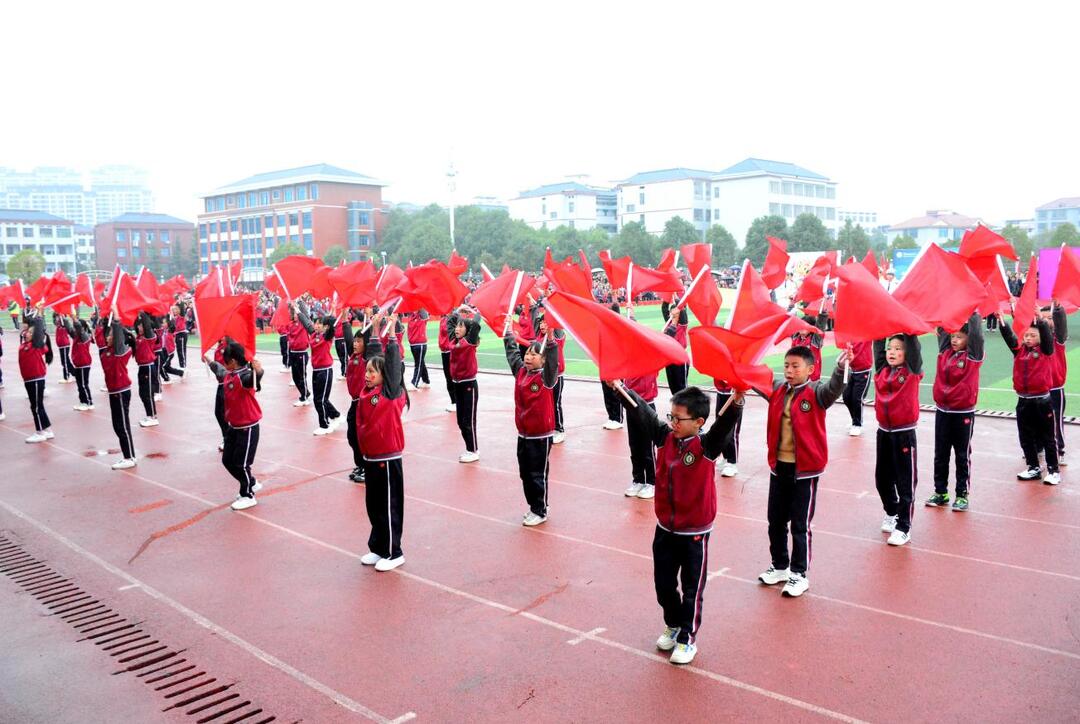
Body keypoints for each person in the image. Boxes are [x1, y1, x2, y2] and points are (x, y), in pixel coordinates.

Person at [615, 383, 743, 665]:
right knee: (663, 583)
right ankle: (673, 624)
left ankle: (687, 638)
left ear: (698, 422)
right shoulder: (665, 438)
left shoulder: (706, 446)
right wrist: (619, 388)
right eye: (670, 416)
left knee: (692, 588)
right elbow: (640, 412)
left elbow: (723, 425)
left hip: (695, 532)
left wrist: (735, 403)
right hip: (665, 529)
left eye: (678, 419)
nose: (672, 422)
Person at [758, 347, 847, 597]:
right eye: (786, 365)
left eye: (795, 366)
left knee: (799, 523)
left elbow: (834, 389)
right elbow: (755, 380)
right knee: (775, 521)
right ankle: (780, 566)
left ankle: (799, 574)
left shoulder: (816, 392)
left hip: (805, 471)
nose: (789, 371)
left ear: (810, 369)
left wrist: (840, 369)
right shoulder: (777, 389)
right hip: (779, 468)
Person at [357, 318, 408, 571]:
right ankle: (378, 547)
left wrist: (392, 335)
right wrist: (375, 330)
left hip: (387, 460)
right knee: (374, 506)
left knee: (389, 506)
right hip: (371, 459)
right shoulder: (366, 393)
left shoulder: (390, 392)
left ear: (385, 376)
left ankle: (394, 552)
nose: (367, 375)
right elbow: (374, 354)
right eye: (366, 371)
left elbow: (391, 363)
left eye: (372, 372)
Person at [504, 326, 559, 525]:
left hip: (540, 436)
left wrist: (551, 341)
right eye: (527, 352)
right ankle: (536, 504)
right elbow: (511, 353)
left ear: (543, 360)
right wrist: (509, 333)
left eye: (534, 354)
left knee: (537, 474)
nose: (528, 357)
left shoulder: (545, 378)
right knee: (525, 473)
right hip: (523, 434)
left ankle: (540, 510)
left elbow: (553, 361)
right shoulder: (520, 373)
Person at [928, 313, 983, 511]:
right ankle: (940, 491)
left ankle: (962, 495)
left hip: (963, 414)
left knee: (961, 455)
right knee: (940, 454)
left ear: (968, 339)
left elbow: (977, 334)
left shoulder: (973, 355)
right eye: (953, 336)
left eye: (959, 337)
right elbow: (943, 329)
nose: (954, 340)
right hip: (943, 411)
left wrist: (974, 313)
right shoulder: (945, 352)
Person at [873, 333, 924, 545]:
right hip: (883, 431)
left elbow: (914, 350)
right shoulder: (882, 370)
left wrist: (909, 331)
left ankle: (904, 527)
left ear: (907, 353)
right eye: (890, 348)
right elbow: (878, 345)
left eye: (898, 348)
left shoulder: (912, 371)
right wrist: (881, 325)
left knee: (905, 483)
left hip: (904, 434)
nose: (892, 352)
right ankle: (892, 512)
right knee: (882, 480)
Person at [999, 313, 1060, 484]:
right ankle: (1033, 467)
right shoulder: (1019, 351)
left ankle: (1054, 471)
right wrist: (1002, 324)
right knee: (1025, 436)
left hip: (1042, 401)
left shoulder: (1045, 350)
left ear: (1041, 337)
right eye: (1026, 335)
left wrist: (1040, 321)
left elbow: (1047, 337)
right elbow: (1010, 338)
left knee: (1048, 437)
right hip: (1023, 401)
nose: (1028, 338)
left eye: (1033, 335)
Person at [207, 341, 265, 511]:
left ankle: (248, 495)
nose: (224, 362)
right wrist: (209, 361)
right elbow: (219, 370)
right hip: (234, 427)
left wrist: (259, 371)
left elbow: (254, 378)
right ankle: (251, 483)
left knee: (241, 464)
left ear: (233, 361)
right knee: (227, 460)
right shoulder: (229, 374)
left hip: (248, 428)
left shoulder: (245, 376)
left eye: (226, 360)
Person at [343, 313, 378, 483]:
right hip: (354, 402)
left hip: (364, 403)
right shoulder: (353, 356)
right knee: (351, 435)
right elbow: (348, 339)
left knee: (362, 436)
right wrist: (344, 319)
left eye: (359, 341)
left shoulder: (367, 358)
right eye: (354, 341)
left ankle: (367, 467)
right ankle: (360, 464)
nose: (355, 344)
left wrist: (371, 320)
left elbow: (370, 339)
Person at [297, 302, 341, 435]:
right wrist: (297, 308)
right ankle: (336, 415)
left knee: (319, 400)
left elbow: (332, 324)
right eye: (315, 323)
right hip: (316, 371)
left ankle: (324, 425)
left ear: (325, 327)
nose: (316, 326)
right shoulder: (313, 335)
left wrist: (333, 310)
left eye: (319, 324)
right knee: (320, 398)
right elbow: (306, 322)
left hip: (325, 371)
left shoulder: (327, 336)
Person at [447, 307, 481, 463]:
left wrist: (477, 310)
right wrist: (457, 310)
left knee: (468, 420)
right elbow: (450, 323)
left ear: (467, 331)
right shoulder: (453, 342)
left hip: (468, 385)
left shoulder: (469, 341)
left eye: (461, 326)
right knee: (461, 421)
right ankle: (470, 447)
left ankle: (473, 450)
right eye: (457, 325)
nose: (456, 328)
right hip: (457, 384)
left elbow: (475, 324)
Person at [101, 320, 136, 469]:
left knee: (121, 426)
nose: (107, 337)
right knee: (118, 425)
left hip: (121, 392)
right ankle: (130, 455)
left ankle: (128, 457)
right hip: (114, 392)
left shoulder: (119, 352)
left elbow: (117, 333)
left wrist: (116, 319)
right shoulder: (106, 352)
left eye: (110, 335)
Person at [19, 309, 54, 443]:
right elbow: (24, 331)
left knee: (36, 406)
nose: (26, 332)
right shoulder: (25, 344)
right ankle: (47, 429)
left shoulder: (36, 345)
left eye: (29, 332)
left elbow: (38, 331)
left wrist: (39, 314)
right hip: (29, 379)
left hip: (35, 379)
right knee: (38, 405)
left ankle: (39, 431)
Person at [1042, 302, 1068, 466]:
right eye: (1043, 318)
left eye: (1050, 318)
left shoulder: (1058, 339)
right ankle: (1038, 448)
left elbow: (1061, 325)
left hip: (1056, 389)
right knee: (1036, 421)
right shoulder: (1036, 339)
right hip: (1039, 389)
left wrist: (1057, 308)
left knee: (1056, 422)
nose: (1046, 321)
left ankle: (1060, 450)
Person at [536, 313, 567, 444]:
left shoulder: (557, 336)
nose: (542, 325)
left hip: (556, 376)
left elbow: (557, 324)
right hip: (544, 376)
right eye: (541, 323)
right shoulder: (538, 339)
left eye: (545, 322)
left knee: (556, 403)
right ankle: (549, 427)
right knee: (546, 403)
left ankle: (559, 429)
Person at [600, 302, 624, 431]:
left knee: (616, 392)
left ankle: (618, 418)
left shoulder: (619, 328)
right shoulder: (604, 331)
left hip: (616, 365)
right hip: (605, 364)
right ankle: (611, 416)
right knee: (607, 393)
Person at [842, 341, 873, 436]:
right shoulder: (849, 333)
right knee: (846, 397)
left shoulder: (866, 332)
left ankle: (857, 424)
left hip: (863, 370)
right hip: (850, 369)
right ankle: (854, 420)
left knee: (857, 398)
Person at [133, 312, 159, 427]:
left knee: (148, 393)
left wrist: (142, 312)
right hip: (142, 368)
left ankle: (153, 417)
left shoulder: (150, 337)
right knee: (142, 393)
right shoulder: (138, 338)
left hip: (148, 367)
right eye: (138, 326)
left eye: (141, 325)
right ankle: (149, 415)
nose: (139, 327)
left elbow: (147, 325)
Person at [712, 379, 741, 477]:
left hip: (734, 393)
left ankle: (732, 462)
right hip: (721, 391)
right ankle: (725, 457)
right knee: (720, 426)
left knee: (732, 429)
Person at [64, 317, 94, 411]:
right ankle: (83, 401)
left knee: (84, 384)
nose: (74, 329)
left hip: (84, 364)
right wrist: (64, 316)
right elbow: (69, 329)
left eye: (76, 328)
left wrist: (74, 318)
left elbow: (78, 328)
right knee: (80, 384)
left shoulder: (85, 336)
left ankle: (89, 402)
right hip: (78, 364)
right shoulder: (76, 336)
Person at [661, 301, 690, 394]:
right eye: (671, 312)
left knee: (681, 387)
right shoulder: (669, 323)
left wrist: (679, 303)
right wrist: (668, 296)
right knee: (672, 386)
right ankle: (676, 407)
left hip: (680, 360)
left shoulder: (682, 325)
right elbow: (664, 308)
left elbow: (683, 313)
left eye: (674, 312)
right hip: (669, 359)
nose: (671, 314)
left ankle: (685, 408)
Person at [286, 305, 312, 405]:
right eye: (294, 313)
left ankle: (304, 397)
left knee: (302, 376)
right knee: (295, 376)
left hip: (301, 353)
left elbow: (305, 314)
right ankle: (306, 392)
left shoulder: (303, 324)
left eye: (297, 313)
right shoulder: (291, 324)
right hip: (293, 352)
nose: (295, 315)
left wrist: (297, 303)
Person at [791, 311, 826, 381]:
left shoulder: (814, 341)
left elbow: (820, 329)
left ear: (811, 328)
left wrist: (822, 315)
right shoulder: (796, 338)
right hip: (797, 376)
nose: (802, 327)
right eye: (801, 325)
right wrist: (791, 307)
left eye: (805, 325)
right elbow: (791, 322)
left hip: (811, 379)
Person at [405, 310, 431, 391]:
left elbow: (424, 312)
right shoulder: (411, 315)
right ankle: (426, 381)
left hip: (420, 344)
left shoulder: (422, 314)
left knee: (418, 364)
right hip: (413, 344)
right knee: (420, 362)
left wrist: (419, 303)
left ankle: (414, 383)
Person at [437, 313, 456, 412]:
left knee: (451, 377)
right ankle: (454, 401)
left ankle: (455, 401)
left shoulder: (452, 317)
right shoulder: (443, 317)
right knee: (448, 377)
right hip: (444, 351)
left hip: (449, 351)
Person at [53, 313, 73, 384]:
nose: (57, 319)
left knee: (64, 361)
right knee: (66, 361)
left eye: (58, 317)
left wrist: (62, 316)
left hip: (64, 344)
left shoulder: (64, 324)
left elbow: (67, 324)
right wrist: (56, 315)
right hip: (61, 345)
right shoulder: (58, 324)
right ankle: (75, 373)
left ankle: (66, 377)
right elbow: (54, 321)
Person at [172, 304, 189, 370]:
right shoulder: (175, 318)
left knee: (182, 350)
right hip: (177, 335)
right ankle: (181, 365)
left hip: (182, 334)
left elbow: (182, 309)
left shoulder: (181, 316)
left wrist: (180, 300)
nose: (174, 310)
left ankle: (183, 366)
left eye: (176, 309)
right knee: (179, 350)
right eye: (174, 309)